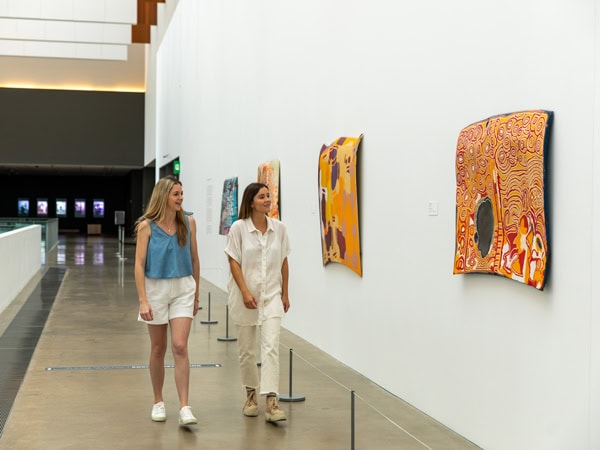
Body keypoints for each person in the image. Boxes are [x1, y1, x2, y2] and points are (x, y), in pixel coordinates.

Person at [134, 175, 200, 426]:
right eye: (176, 194)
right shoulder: (146, 226)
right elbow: (139, 265)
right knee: (158, 349)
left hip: (183, 287)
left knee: (180, 346)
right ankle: (158, 401)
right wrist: (143, 300)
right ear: (163, 196)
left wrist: (195, 294)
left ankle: (184, 406)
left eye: (181, 193)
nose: (180, 198)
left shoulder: (189, 221)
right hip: (155, 289)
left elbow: (195, 259)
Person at [224, 182, 291, 422]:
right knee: (247, 351)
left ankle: (272, 400)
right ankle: (251, 394)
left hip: (271, 295)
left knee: (271, 346)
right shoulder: (238, 228)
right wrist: (244, 291)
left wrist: (285, 293)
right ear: (251, 201)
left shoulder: (279, 229)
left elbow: (283, 260)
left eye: (269, 196)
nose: (267, 200)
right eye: (262, 197)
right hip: (245, 297)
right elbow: (233, 261)